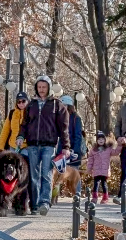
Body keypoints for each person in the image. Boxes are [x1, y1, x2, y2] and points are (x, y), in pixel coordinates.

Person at [18, 75, 68, 216]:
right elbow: (24, 124)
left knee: (46, 174)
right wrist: (20, 137)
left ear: (49, 88)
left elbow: (64, 128)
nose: (41, 89)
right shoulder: (31, 105)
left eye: (44, 87)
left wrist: (66, 146)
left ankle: (44, 202)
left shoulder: (57, 105)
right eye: (39, 87)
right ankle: (34, 204)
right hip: (32, 144)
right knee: (33, 175)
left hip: (49, 145)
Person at [86, 131, 116, 203]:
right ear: (97, 141)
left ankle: (105, 198)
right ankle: (94, 197)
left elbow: (116, 152)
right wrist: (89, 168)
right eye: (99, 139)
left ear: (105, 140)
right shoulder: (93, 150)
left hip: (104, 170)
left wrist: (120, 146)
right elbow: (90, 160)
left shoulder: (108, 149)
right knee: (96, 184)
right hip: (96, 170)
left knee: (104, 184)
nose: (101, 140)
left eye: (102, 139)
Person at [59, 95, 86, 166]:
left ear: (68, 106)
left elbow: (78, 136)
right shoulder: (60, 117)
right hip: (62, 152)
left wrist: (75, 152)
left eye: (63, 105)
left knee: (73, 171)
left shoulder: (76, 118)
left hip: (72, 152)